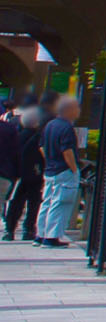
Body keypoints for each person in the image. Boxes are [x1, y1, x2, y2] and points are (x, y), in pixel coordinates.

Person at [36, 95, 82, 247]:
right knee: (60, 203)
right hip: (64, 171)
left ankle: (40, 234)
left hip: (50, 170)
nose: (78, 111)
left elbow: (41, 146)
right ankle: (52, 237)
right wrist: (74, 170)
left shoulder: (50, 125)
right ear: (68, 110)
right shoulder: (66, 127)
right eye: (76, 108)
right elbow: (67, 151)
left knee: (47, 202)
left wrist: (50, 160)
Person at [5, 103, 43, 242]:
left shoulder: (18, 135)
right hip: (35, 173)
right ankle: (29, 229)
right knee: (33, 203)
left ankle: (10, 229)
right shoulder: (38, 136)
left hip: (20, 174)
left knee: (16, 202)